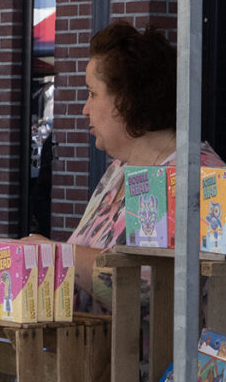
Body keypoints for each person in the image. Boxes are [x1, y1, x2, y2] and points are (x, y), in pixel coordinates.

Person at [67, 21, 180, 291]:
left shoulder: (187, 180)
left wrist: (55, 257)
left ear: (126, 101)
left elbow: (147, 285)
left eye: (92, 94)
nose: (85, 109)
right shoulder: (119, 169)